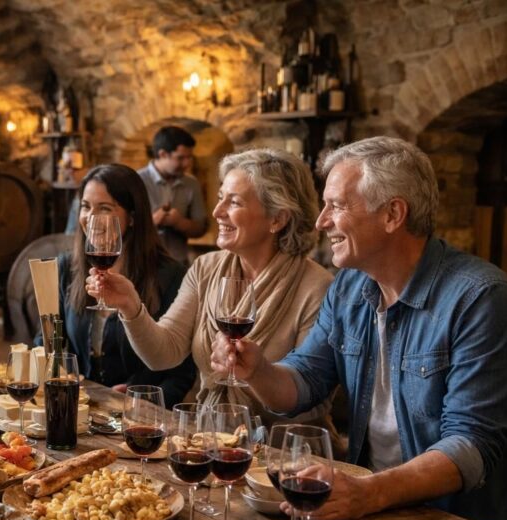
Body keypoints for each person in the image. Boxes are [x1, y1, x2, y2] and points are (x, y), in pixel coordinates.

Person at [210, 137, 507, 520]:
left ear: (393, 214)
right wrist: (257, 370)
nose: (320, 222)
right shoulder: (352, 287)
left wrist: (370, 492)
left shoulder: (481, 298)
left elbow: (472, 446)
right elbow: (303, 382)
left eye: (336, 206)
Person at [91, 149, 335, 431]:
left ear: (277, 219)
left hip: (286, 452)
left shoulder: (317, 287)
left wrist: (256, 373)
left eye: (234, 202)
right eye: (221, 198)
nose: (217, 212)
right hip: (212, 436)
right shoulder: (206, 268)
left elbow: (309, 398)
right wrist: (130, 306)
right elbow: (163, 354)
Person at [43, 164, 196, 407]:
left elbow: (182, 372)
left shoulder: (171, 275)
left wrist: (141, 401)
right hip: (80, 412)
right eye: (85, 207)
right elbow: (46, 342)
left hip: (140, 420)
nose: (90, 218)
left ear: (133, 217)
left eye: (105, 208)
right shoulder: (66, 268)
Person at [137, 125, 208, 263]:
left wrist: (180, 223)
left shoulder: (192, 183)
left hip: (179, 263)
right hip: (143, 263)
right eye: (181, 158)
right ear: (163, 154)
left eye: (189, 157)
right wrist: (152, 222)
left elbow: (201, 228)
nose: (187, 163)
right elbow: (121, 228)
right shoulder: (136, 180)